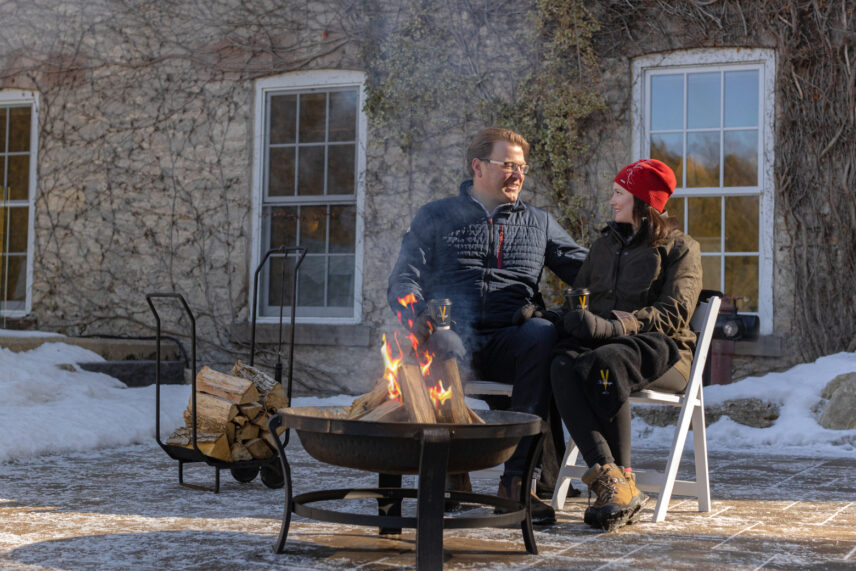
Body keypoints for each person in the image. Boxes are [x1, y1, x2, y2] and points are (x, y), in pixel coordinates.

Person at [387, 127, 588, 524]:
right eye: (508, 165)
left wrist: (645, 263)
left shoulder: (539, 223)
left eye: (522, 167)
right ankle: (449, 471)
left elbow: (592, 270)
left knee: (542, 333)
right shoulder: (437, 216)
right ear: (478, 167)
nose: (518, 175)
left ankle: (516, 483)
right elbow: (403, 277)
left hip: (510, 344)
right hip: (449, 338)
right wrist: (419, 314)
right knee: (444, 341)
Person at [549, 158, 702, 532]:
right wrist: (552, 315)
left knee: (605, 359)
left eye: (619, 193)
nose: (612, 201)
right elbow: (578, 299)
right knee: (561, 363)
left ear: (642, 200)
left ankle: (623, 478)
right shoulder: (604, 245)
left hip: (664, 353)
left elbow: (675, 313)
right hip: (606, 350)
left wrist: (613, 325)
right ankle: (611, 479)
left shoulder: (681, 247)